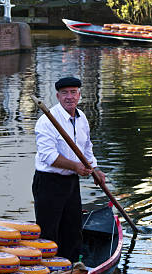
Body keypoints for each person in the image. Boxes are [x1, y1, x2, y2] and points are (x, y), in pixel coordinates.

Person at [32, 77, 106, 263]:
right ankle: (48, 269)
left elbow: (86, 148)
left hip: (71, 182)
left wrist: (94, 169)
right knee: (49, 231)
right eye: (65, 93)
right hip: (49, 183)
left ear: (79, 95)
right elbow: (48, 156)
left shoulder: (82, 118)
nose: (69, 97)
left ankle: (71, 267)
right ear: (57, 96)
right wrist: (75, 166)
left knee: (73, 229)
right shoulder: (46, 121)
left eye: (73, 92)